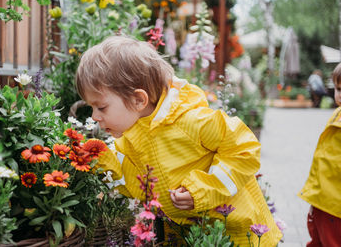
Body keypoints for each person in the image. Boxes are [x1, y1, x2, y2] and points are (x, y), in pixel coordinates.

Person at [76, 36, 282, 246]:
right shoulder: (129, 139)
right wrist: (102, 161)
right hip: (192, 236)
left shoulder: (190, 121)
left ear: (138, 100)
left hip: (240, 232)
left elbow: (244, 149)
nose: (94, 116)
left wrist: (202, 189)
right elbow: (139, 189)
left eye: (101, 107)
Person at [299, 63, 341, 247]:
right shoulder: (337, 114)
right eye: (338, 89)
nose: (340, 94)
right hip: (323, 200)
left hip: (336, 206)